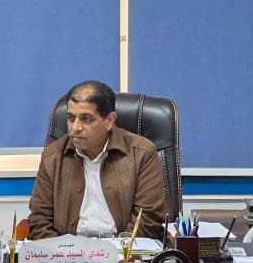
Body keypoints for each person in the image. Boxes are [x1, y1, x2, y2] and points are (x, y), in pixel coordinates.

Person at [27, 80, 168, 241]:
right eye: (71, 118)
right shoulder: (53, 156)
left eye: (86, 119)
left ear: (109, 121)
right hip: (67, 253)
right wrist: (63, 251)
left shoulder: (142, 153)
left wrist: (114, 251)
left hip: (122, 252)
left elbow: (148, 220)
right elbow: (39, 220)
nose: (75, 128)